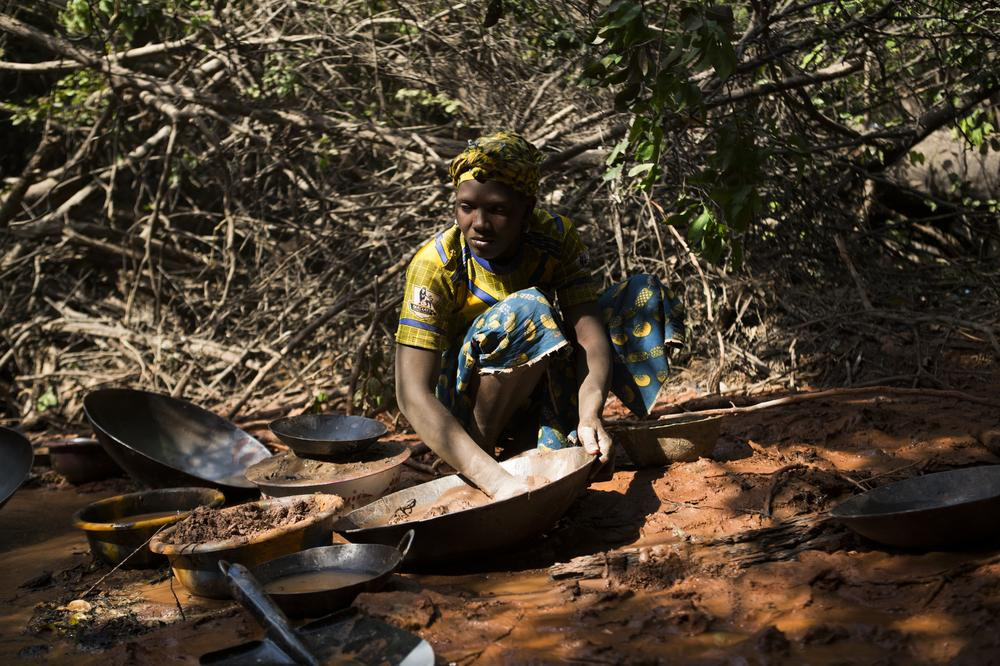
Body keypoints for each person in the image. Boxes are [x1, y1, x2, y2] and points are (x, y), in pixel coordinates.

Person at [394, 131, 684, 500]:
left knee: (641, 295)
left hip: (539, 382)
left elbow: (589, 334)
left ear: (527, 210)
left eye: (498, 209)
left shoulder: (554, 238)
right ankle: (477, 458)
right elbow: (411, 393)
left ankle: (560, 436)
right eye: (466, 207)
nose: (479, 223)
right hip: (464, 406)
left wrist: (589, 414)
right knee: (529, 309)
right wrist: (494, 480)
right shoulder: (435, 265)